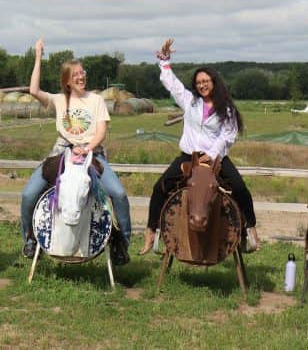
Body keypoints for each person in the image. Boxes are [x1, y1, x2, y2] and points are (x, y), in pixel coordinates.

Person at [139, 39, 259, 256]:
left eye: (206, 81)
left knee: (240, 188)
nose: (202, 85)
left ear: (214, 82)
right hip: (188, 156)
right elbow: (172, 84)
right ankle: (152, 231)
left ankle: (249, 229)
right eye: (199, 82)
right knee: (160, 187)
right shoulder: (190, 102)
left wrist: (211, 156)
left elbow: (227, 135)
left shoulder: (227, 109)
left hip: (215, 159)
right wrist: (165, 62)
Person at [20, 38, 132, 265]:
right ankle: (30, 241)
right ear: (67, 82)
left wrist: (87, 148)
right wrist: (38, 57)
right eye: (76, 75)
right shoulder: (59, 100)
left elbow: (101, 132)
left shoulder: (97, 100)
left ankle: (122, 245)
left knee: (118, 194)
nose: (81, 77)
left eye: (82, 73)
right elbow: (33, 90)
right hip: (62, 151)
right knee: (28, 194)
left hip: (93, 154)